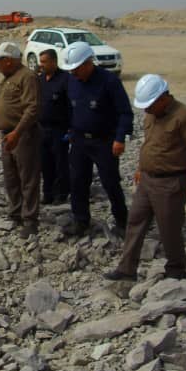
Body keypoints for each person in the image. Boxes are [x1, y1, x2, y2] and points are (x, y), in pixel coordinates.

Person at [105, 75, 186, 281]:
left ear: (163, 98)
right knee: (135, 221)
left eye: (149, 105)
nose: (146, 110)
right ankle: (126, 269)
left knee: (169, 228)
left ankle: (176, 270)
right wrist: (141, 167)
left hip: (171, 182)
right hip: (147, 179)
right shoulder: (152, 114)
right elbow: (150, 144)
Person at [62, 41, 133, 237]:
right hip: (79, 141)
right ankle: (81, 220)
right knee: (77, 181)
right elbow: (70, 108)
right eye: (71, 70)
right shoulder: (72, 81)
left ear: (88, 63)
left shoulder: (109, 81)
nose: (73, 73)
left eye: (76, 69)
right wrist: (70, 130)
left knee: (110, 182)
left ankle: (122, 222)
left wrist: (120, 138)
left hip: (104, 142)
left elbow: (125, 113)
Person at [0, 42, 41, 238]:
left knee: (28, 178)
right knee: (11, 177)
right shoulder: (8, 78)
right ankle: (15, 212)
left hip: (23, 135)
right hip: (7, 134)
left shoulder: (27, 77)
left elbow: (32, 109)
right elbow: (5, 106)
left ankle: (30, 219)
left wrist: (17, 133)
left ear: (8, 60)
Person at [37, 49, 71, 205]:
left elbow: (71, 105)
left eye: (44, 62)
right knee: (45, 162)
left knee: (60, 162)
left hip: (59, 129)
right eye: (41, 61)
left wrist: (70, 128)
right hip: (42, 129)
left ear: (54, 61)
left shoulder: (65, 79)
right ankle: (48, 193)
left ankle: (61, 193)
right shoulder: (40, 80)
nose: (41, 65)